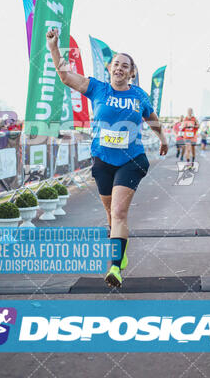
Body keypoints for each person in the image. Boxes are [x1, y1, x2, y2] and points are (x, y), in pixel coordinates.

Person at [47, 28, 168, 287]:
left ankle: (115, 268)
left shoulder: (139, 95)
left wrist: (163, 139)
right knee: (110, 215)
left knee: (119, 211)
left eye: (125, 66)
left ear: (131, 73)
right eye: (116, 64)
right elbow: (66, 77)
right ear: (109, 68)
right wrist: (54, 48)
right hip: (102, 159)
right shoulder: (97, 89)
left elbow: (152, 118)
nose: (120, 69)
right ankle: (119, 249)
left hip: (131, 159)